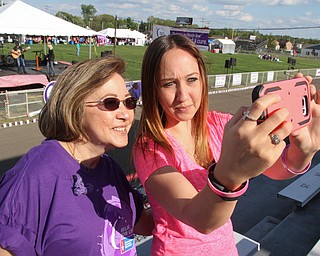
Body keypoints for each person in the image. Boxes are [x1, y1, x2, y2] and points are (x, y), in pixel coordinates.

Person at [132, 34, 320, 255]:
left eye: (191, 79)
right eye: (169, 83)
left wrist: (304, 151)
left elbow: (276, 169)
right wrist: (229, 176)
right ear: (153, 89)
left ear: (203, 79)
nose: (182, 96)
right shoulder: (150, 149)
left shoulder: (219, 123)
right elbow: (202, 220)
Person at [0, 56, 154, 255]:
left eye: (129, 101)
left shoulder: (108, 167)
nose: (126, 114)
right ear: (75, 108)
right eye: (110, 103)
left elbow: (145, 225)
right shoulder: (35, 177)